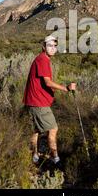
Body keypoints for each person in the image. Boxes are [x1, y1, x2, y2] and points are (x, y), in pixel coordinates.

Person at [22, 35, 76, 165]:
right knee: (53, 129)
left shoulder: (41, 59)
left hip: (33, 101)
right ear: (43, 47)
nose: (52, 48)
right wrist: (66, 88)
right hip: (38, 102)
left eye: (54, 46)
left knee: (36, 130)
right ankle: (55, 158)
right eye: (49, 46)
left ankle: (34, 156)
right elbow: (47, 82)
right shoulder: (43, 60)